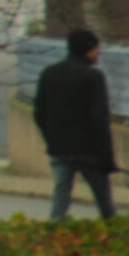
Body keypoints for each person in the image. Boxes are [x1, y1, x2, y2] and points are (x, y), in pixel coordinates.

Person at [36, 27, 117, 221]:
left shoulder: (49, 74)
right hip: (89, 151)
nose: (99, 52)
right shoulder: (93, 77)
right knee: (104, 200)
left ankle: (54, 231)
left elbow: (39, 113)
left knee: (60, 196)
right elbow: (99, 119)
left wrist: (51, 140)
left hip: (59, 149)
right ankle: (113, 230)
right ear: (87, 50)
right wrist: (107, 158)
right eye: (96, 48)